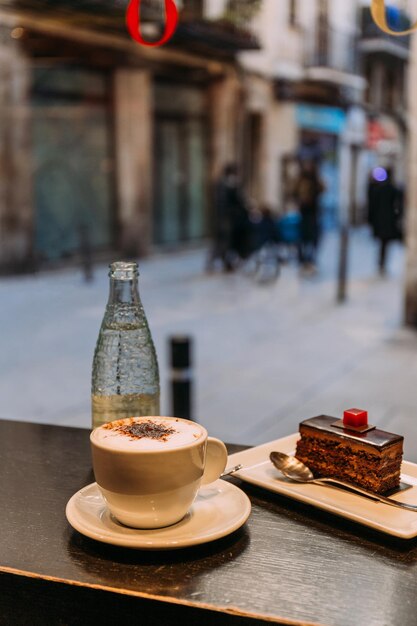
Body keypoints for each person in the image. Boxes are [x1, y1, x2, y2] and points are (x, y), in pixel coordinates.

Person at [207, 163, 250, 271]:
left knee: (227, 242)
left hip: (231, 218)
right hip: (227, 219)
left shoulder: (232, 184)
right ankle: (218, 262)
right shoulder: (225, 185)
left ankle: (227, 263)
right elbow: (224, 203)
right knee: (223, 242)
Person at [367, 168, 403, 275]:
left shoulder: (377, 189)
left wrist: (371, 220)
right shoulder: (391, 189)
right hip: (387, 221)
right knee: (384, 244)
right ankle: (382, 265)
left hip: (381, 221)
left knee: (383, 244)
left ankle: (381, 264)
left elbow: (372, 207)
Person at [295, 161, 324, 274]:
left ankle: (310, 259)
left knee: (313, 237)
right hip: (304, 212)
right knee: (303, 237)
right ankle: (303, 259)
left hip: (313, 212)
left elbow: (322, 189)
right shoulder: (300, 180)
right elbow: (294, 191)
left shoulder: (315, 180)